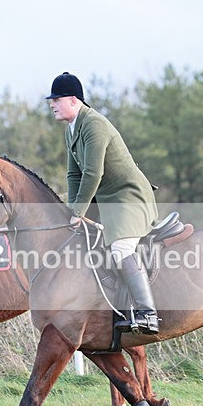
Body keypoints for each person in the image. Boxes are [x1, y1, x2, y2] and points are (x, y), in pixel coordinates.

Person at [46, 72, 160, 334]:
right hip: (105, 199)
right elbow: (74, 174)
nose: (52, 104)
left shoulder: (94, 124)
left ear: (73, 100)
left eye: (57, 99)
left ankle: (148, 313)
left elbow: (93, 173)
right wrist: (72, 211)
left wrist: (78, 211)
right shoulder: (71, 130)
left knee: (120, 248)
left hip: (127, 196)